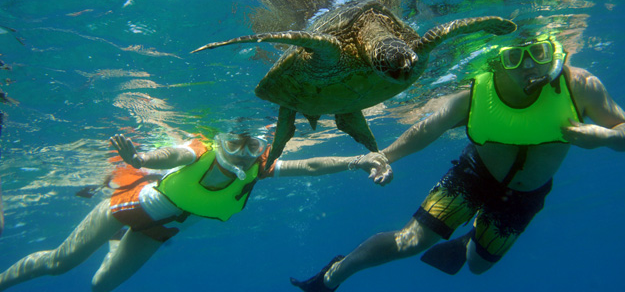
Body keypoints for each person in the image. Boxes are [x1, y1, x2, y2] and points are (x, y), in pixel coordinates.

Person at [291, 34, 625, 291]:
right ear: (500, 60)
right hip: (473, 175)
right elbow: (427, 128)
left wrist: (606, 137)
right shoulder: (477, 92)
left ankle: (468, 240)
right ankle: (335, 274)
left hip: (526, 195)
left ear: (553, 51)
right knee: (411, 241)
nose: (529, 64)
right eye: (515, 57)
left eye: (538, 52)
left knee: (477, 267)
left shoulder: (580, 86)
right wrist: (384, 156)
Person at [0, 130, 390, 292]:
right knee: (59, 263)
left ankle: (113, 246)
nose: (239, 155)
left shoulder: (257, 169)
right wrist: (140, 156)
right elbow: (169, 154)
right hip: (125, 209)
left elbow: (308, 166)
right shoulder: (198, 153)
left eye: (250, 147)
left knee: (99, 286)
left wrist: (358, 161)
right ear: (220, 143)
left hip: (161, 230)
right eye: (233, 146)